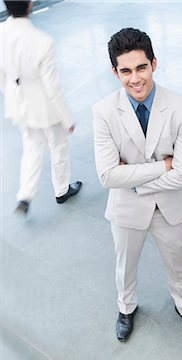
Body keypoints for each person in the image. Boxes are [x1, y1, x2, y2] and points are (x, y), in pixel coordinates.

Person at [93, 28, 182, 342]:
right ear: (115, 72)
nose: (135, 79)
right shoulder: (103, 112)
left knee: (178, 259)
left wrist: (135, 179)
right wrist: (162, 165)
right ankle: (126, 307)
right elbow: (107, 176)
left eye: (141, 67)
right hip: (127, 209)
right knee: (124, 263)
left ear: (154, 63)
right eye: (125, 71)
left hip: (170, 204)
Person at [0, 0, 82, 215]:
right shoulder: (42, 41)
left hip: (19, 103)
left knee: (32, 147)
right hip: (45, 107)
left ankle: (25, 195)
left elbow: (2, 75)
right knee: (59, 146)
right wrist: (67, 119)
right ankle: (62, 190)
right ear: (29, 5)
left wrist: (11, 96)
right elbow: (52, 88)